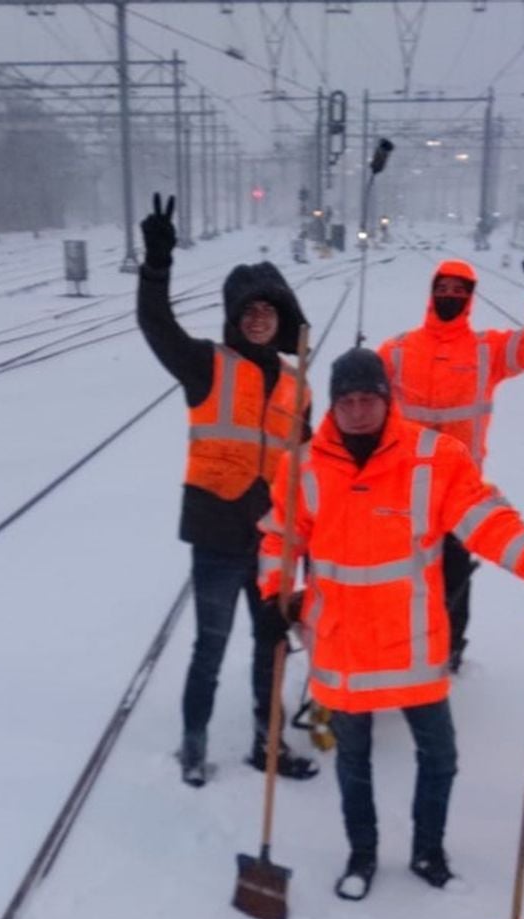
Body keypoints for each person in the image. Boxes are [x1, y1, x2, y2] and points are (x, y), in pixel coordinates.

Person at [260, 347, 524, 901]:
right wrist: (276, 594)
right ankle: (363, 853)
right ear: (333, 405)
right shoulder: (302, 465)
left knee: (440, 756)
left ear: (386, 398)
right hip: (342, 643)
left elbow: (484, 517)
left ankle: (428, 850)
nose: (357, 411)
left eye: (368, 399)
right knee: (353, 760)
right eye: (346, 401)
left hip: (413, 642)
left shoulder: (434, 457)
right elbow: (279, 537)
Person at [137, 192, 317, 789]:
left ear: (281, 317)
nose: (258, 318)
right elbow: (156, 325)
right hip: (216, 532)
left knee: (273, 648)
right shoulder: (205, 366)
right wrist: (157, 265)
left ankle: (269, 745)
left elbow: (311, 467)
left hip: (274, 540)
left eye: (268, 310)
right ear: (234, 319)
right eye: (248, 311)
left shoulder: (298, 387)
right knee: (210, 647)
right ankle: (194, 747)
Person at [378, 255, 524, 668]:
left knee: (454, 574)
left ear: (470, 299)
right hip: (403, 490)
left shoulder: (486, 351)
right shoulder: (399, 350)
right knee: (402, 576)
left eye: (459, 291)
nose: (450, 297)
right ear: (432, 293)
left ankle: (450, 649)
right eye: (444, 289)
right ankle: (398, 648)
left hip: (459, 490)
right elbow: (364, 395)